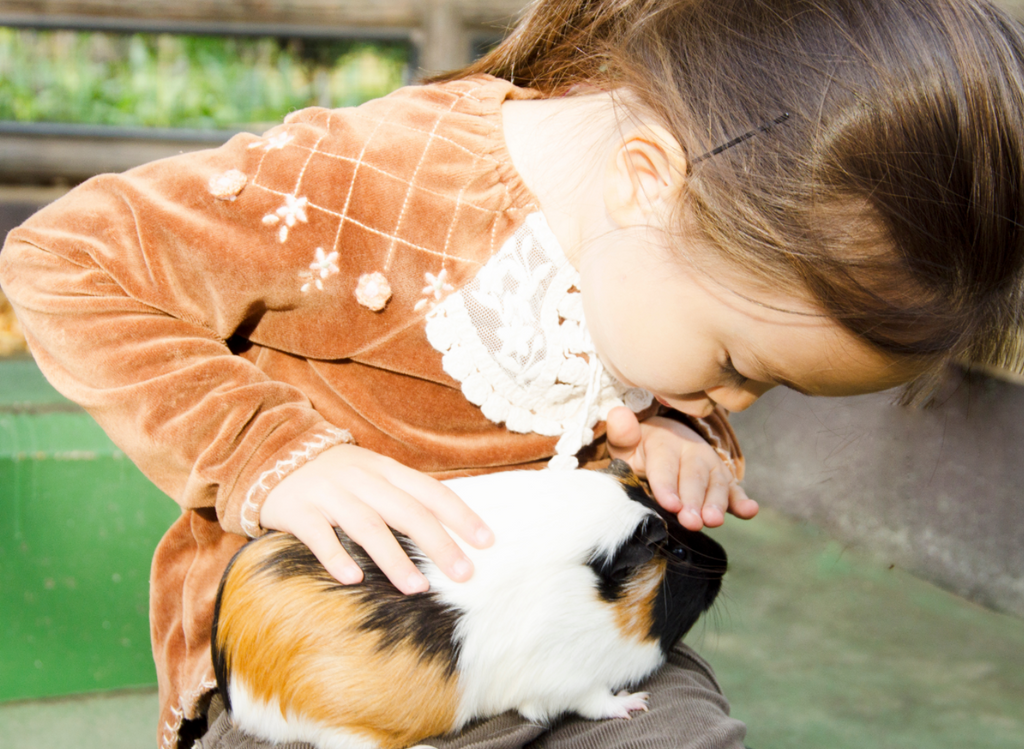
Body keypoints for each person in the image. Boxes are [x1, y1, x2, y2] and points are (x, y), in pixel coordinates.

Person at [2, 0, 1023, 746]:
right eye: (733, 364)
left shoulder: (651, 261)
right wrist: (270, 453)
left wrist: (673, 427)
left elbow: (617, 392)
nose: (737, 405)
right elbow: (62, 261)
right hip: (333, 660)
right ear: (649, 183)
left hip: (537, 647)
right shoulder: (364, 187)